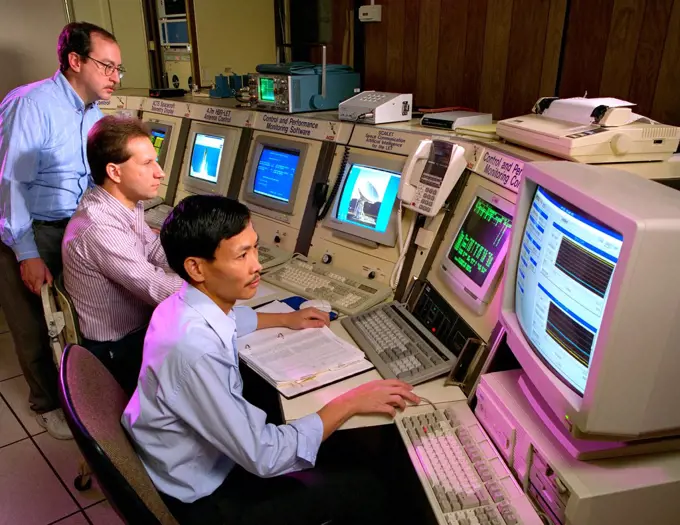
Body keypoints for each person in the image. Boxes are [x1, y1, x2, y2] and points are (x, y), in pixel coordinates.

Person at [122, 196, 420, 525]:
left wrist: (283, 319)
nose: (257, 265)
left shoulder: (181, 303)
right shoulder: (195, 349)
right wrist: (349, 402)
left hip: (178, 458)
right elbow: (264, 455)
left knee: (324, 438)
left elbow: (230, 319)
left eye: (255, 249)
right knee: (369, 487)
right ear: (196, 267)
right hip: (205, 495)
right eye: (242, 255)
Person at [0, 22, 123, 439]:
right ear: (75, 61)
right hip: (29, 230)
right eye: (107, 66)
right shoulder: (30, 105)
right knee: (33, 323)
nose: (115, 77)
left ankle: (79, 392)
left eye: (118, 69)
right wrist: (26, 253)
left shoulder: (95, 116)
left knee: (71, 319)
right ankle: (46, 403)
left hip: (72, 229)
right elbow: (12, 183)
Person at [62, 116, 180, 396]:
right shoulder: (100, 227)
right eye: (147, 163)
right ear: (114, 172)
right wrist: (216, 282)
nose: (160, 172)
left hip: (135, 330)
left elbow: (152, 250)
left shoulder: (121, 204)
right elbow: (160, 290)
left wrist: (192, 268)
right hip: (117, 350)